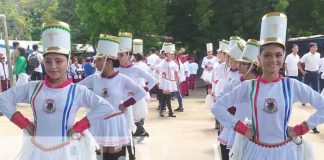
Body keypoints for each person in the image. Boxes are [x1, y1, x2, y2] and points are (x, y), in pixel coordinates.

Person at [212, 12, 321, 160]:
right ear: (259, 58)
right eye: (267, 55)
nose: (273, 60)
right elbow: (217, 107)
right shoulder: (249, 86)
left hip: (285, 152)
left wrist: (302, 128)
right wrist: (241, 128)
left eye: (278, 55)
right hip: (254, 151)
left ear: (284, 56)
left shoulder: (292, 86)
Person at [0, 20, 115, 160]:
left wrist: (79, 127)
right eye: (48, 61)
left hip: (66, 151)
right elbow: (2, 99)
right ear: (43, 62)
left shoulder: (77, 91)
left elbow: (106, 107)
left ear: (68, 62)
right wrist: (24, 124)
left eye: (59, 61)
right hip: (37, 151)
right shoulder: (33, 87)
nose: (53, 66)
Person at [80, 34, 146, 160]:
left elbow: (141, 92)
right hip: (98, 122)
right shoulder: (94, 78)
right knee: (99, 154)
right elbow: (75, 89)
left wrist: (125, 104)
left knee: (114, 154)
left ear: (109, 62)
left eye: (99, 59)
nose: (95, 62)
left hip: (115, 122)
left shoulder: (122, 79)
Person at [298, 42, 321, 133]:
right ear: (311, 48)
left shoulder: (318, 55)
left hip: (315, 73)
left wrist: (319, 70)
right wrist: (303, 72)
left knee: (315, 89)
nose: (316, 48)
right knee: (305, 88)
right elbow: (298, 63)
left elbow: (318, 63)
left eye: (316, 47)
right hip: (307, 73)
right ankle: (303, 100)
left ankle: (314, 101)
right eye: (314, 47)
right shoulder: (306, 55)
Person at [157, 43, 178, 117]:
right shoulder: (163, 62)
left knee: (166, 97)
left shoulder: (173, 62)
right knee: (166, 97)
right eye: (171, 54)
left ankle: (165, 111)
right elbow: (157, 68)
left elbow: (176, 69)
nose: (173, 55)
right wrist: (161, 76)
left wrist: (176, 77)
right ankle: (168, 111)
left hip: (171, 82)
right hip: (165, 82)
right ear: (167, 54)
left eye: (173, 54)